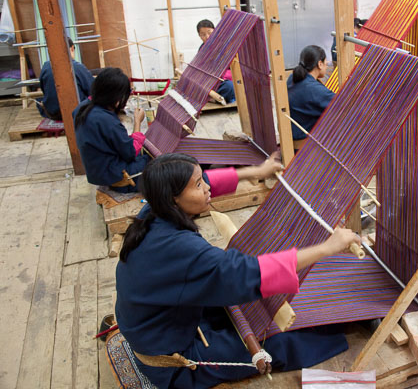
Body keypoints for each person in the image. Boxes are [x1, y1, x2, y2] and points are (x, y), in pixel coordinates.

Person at [116, 153, 358, 388]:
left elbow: (207, 184)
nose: (206, 187)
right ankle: (343, 324)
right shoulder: (184, 250)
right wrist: (327, 247)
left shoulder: (153, 212)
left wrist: (256, 171)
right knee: (279, 341)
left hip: (165, 322)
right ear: (173, 199)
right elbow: (248, 272)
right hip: (174, 362)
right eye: (198, 184)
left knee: (244, 307)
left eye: (202, 179)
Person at [72, 67, 149, 193]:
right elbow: (130, 152)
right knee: (159, 164)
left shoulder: (82, 108)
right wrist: (137, 123)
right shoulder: (107, 121)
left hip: (99, 172)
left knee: (148, 154)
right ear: (116, 97)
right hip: (118, 177)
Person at [38, 38, 94, 121]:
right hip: (76, 112)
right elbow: (92, 90)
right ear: (72, 48)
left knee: (40, 100)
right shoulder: (77, 67)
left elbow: (44, 89)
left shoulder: (46, 66)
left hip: (52, 113)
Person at [288, 45, 334, 140]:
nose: (327, 64)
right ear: (320, 64)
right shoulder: (314, 90)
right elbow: (344, 106)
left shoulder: (292, 78)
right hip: (306, 146)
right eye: (326, 62)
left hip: (293, 134)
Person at [196, 19, 235, 104]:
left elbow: (232, 67)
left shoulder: (224, 46)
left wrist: (221, 75)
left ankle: (213, 97)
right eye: (203, 35)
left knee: (230, 87)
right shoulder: (202, 49)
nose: (207, 37)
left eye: (210, 32)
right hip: (210, 81)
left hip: (224, 79)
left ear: (215, 31)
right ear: (199, 36)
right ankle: (216, 97)